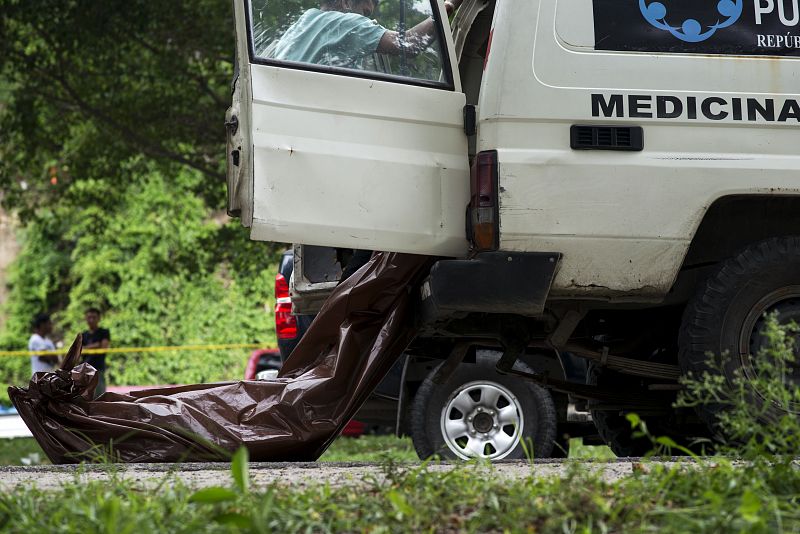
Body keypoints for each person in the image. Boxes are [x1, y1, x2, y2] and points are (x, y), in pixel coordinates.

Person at [272, 0, 463, 70]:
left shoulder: (305, 20)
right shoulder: (347, 23)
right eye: (366, 11)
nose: (370, 9)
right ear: (346, 3)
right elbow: (409, 44)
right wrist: (447, 7)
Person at [81, 307, 110, 398]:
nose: (91, 320)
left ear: (99, 318)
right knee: (85, 397)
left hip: (98, 370)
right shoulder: (83, 335)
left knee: (100, 397)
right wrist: (96, 345)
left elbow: (104, 347)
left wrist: (87, 348)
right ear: (86, 319)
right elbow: (79, 350)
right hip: (84, 371)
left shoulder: (104, 332)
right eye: (89, 317)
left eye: (94, 317)